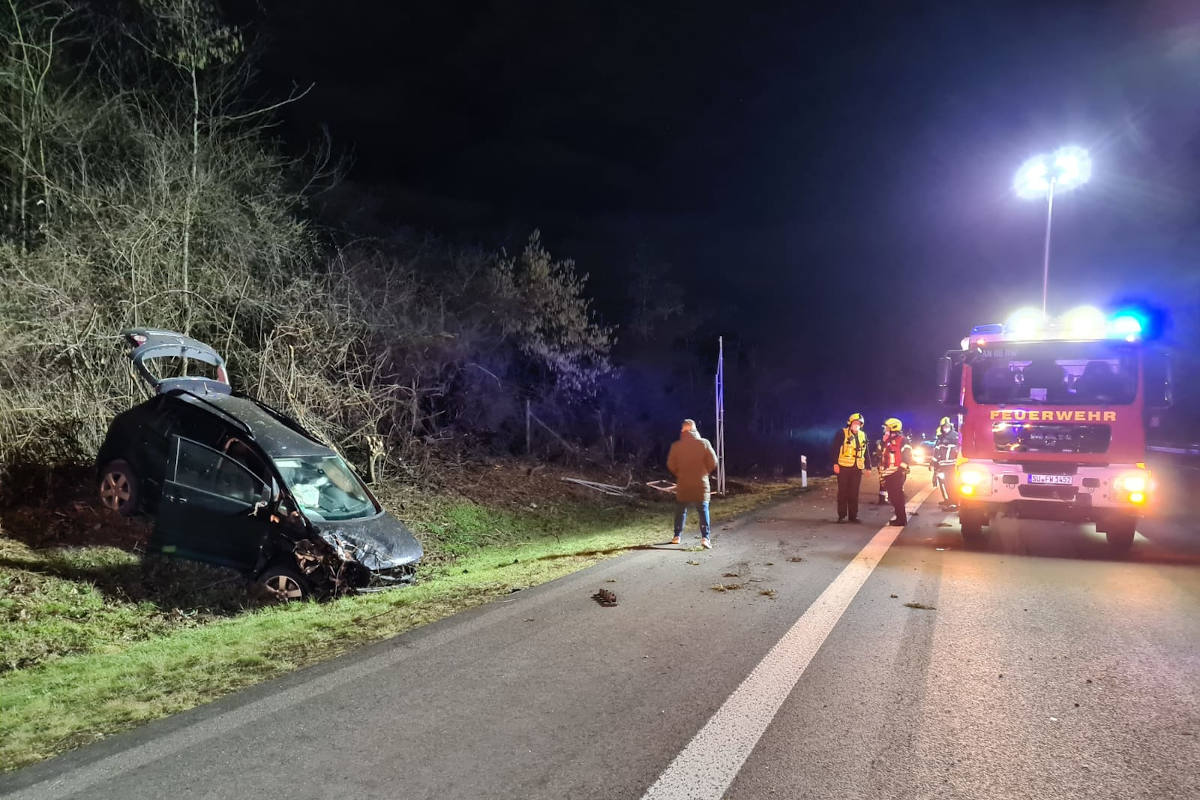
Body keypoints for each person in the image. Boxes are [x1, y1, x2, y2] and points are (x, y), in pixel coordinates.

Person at [667, 419, 719, 548]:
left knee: (680, 510)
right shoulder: (704, 443)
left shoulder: (676, 446)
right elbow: (714, 462)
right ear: (695, 429)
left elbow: (671, 464)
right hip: (701, 484)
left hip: (684, 484)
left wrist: (681, 474)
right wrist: (703, 472)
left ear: (683, 430)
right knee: (703, 510)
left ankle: (677, 536)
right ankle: (705, 538)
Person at [831, 412, 872, 523]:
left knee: (854, 493)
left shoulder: (863, 435)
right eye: (855, 422)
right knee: (843, 492)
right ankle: (842, 515)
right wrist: (835, 464)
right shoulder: (842, 433)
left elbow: (866, 452)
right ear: (850, 423)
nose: (857, 425)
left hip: (857, 468)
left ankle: (853, 516)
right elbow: (834, 449)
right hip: (843, 467)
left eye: (859, 423)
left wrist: (868, 467)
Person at [879, 417, 914, 526]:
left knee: (897, 497)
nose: (885, 430)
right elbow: (882, 453)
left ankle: (901, 519)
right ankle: (899, 517)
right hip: (889, 473)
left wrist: (901, 469)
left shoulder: (902, 440)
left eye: (887, 428)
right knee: (893, 497)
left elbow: (907, 456)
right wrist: (883, 441)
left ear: (893, 428)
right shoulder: (887, 440)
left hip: (897, 473)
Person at [933, 416, 961, 510]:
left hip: (951, 466)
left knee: (952, 484)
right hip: (943, 465)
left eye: (947, 426)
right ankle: (948, 500)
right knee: (944, 484)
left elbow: (958, 450)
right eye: (944, 426)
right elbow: (937, 452)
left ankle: (954, 503)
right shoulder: (941, 438)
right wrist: (934, 464)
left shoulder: (955, 436)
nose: (945, 428)